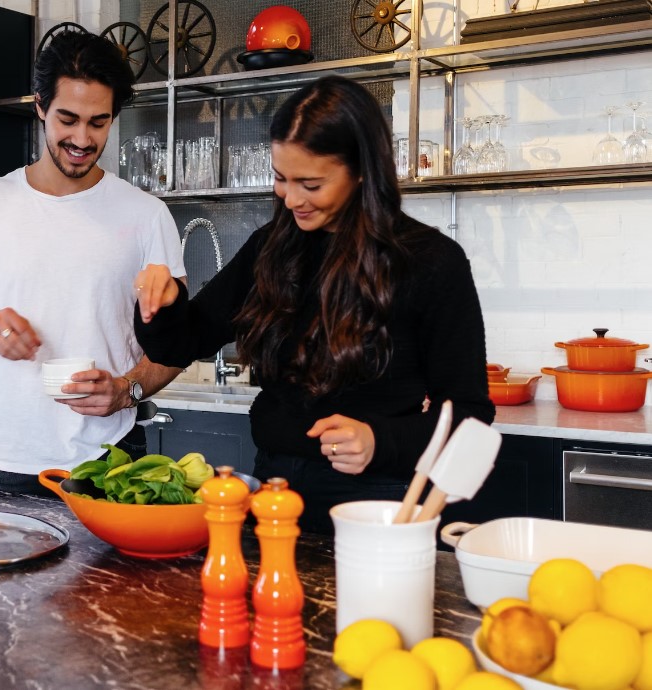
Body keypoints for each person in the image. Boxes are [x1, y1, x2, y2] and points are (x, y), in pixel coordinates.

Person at [133, 75, 495, 534]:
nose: (292, 198)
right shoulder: (271, 249)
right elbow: (182, 342)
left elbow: (469, 415)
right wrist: (162, 303)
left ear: (362, 170)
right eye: (281, 179)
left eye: (311, 183)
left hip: (378, 500)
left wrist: (379, 440)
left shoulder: (430, 263)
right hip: (275, 493)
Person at [0, 30, 186, 496]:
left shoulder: (146, 214)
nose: (81, 138)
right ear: (39, 106)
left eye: (98, 122)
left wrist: (128, 389)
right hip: (10, 457)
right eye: (67, 119)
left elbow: (178, 340)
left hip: (110, 459)